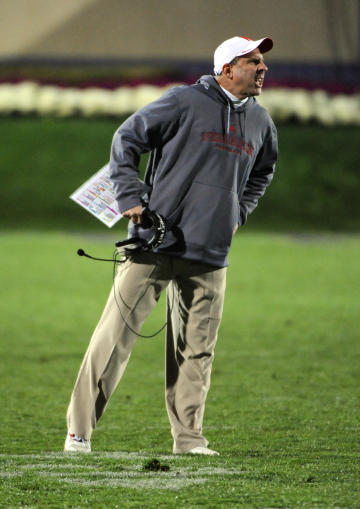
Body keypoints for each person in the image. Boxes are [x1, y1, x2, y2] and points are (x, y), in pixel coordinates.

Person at [64, 35, 278, 455]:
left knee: (197, 352)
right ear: (227, 69)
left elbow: (262, 173)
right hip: (155, 241)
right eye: (253, 61)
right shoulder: (183, 101)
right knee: (113, 341)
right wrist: (129, 197)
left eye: (262, 61)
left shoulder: (261, 122)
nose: (262, 67)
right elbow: (127, 138)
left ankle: (189, 439)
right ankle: (79, 432)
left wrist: (240, 212)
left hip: (211, 253)